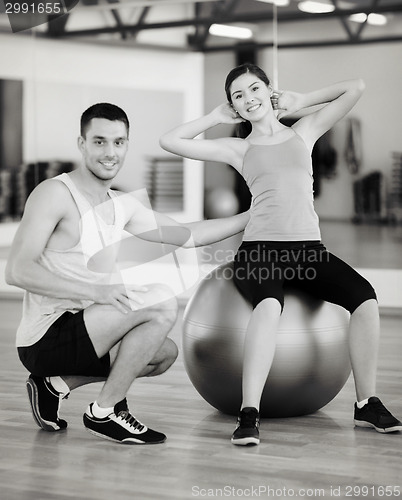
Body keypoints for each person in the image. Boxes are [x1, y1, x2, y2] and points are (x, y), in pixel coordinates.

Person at [159, 63, 402, 445]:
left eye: (254, 89)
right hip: (259, 251)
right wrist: (213, 117)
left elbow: (355, 86)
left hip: (310, 250)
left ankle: (366, 403)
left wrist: (302, 100)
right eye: (238, 96)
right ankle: (249, 413)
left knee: (365, 298)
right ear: (234, 108)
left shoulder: (303, 133)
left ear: (269, 91)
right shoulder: (238, 148)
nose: (248, 99)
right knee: (270, 305)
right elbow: (170, 141)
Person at [5, 102, 250, 445]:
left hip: (89, 325)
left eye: (118, 142)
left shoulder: (122, 204)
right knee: (161, 305)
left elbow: (187, 235)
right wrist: (97, 293)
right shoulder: (55, 194)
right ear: (82, 143)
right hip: (45, 336)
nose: (110, 152)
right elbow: (17, 270)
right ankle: (105, 412)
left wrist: (253, 215)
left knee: (162, 354)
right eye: (100, 141)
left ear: (127, 145)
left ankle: (53, 385)